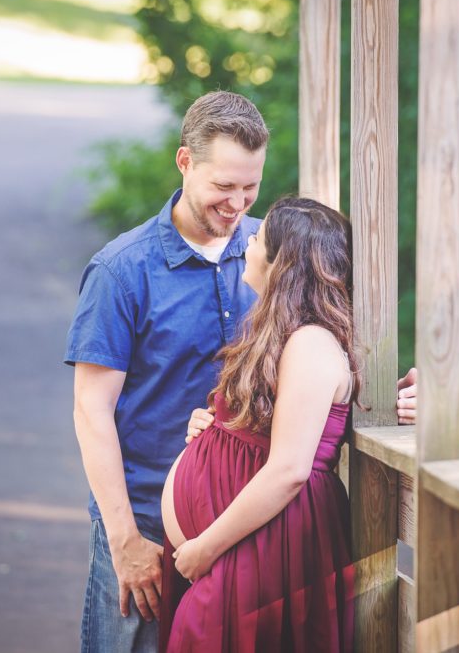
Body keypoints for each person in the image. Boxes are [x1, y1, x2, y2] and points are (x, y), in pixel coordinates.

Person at [65, 91, 418, 653]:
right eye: (223, 186)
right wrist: (123, 536)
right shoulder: (121, 271)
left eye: (249, 186)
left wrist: (399, 398)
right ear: (185, 163)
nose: (238, 204)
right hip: (147, 531)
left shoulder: (277, 254)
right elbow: (91, 410)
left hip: (247, 540)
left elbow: (327, 374)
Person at [158, 197, 362, 652]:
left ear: (282, 263)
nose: (248, 241)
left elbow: (290, 469)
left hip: (262, 546)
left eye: (258, 237)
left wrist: (205, 547)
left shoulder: (311, 343)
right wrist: (216, 428)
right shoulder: (286, 335)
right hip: (241, 544)